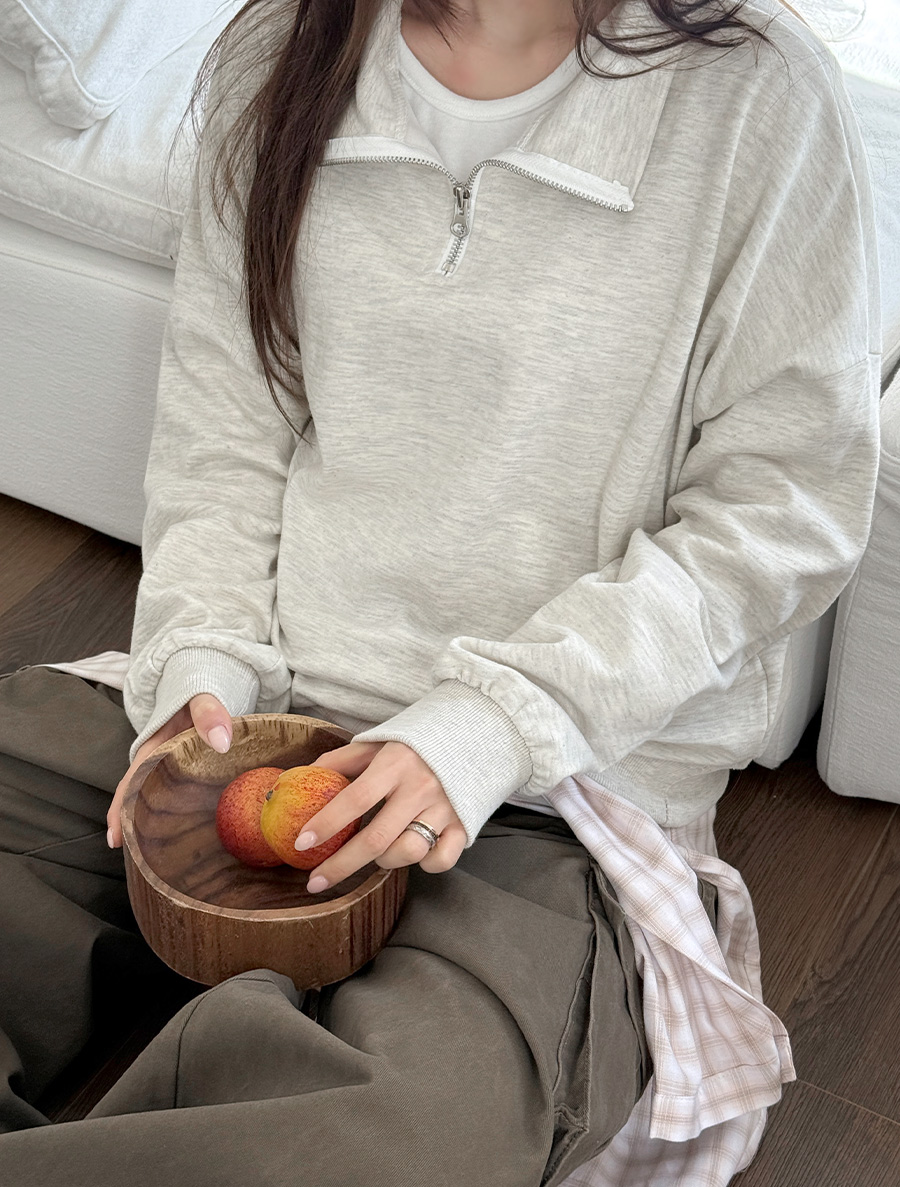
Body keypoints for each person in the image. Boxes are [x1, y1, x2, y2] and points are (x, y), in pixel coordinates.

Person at [0, 0, 881, 1183]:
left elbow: (781, 511)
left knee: (397, 1142)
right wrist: (197, 670)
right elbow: (226, 433)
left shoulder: (757, 89)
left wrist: (487, 727)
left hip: (550, 793)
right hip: (263, 712)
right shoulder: (278, 47)